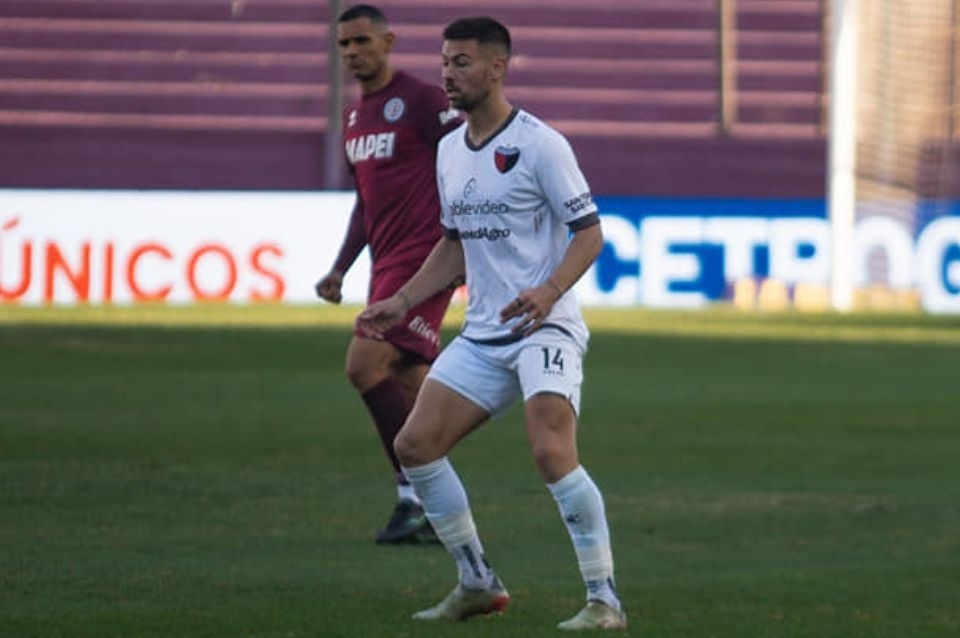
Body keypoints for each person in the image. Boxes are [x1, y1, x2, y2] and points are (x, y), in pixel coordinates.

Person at [357, 15, 627, 631]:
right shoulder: (450, 149)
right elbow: (454, 245)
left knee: (551, 451)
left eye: (462, 63)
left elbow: (590, 233)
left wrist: (549, 291)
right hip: (483, 333)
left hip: (545, 328)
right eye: (444, 62)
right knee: (414, 446)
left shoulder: (541, 144)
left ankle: (604, 600)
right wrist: (403, 300)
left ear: (497, 68)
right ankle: (477, 582)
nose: (448, 75)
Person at [315, 4, 461, 545]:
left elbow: (463, 161)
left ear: (388, 41)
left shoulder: (421, 100)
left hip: (424, 260)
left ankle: (414, 498)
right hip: (385, 266)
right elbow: (366, 202)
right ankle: (443, 502)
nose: (352, 52)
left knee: (364, 363)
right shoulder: (355, 118)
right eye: (344, 44)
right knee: (410, 379)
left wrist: (467, 241)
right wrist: (340, 267)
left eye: (361, 41)